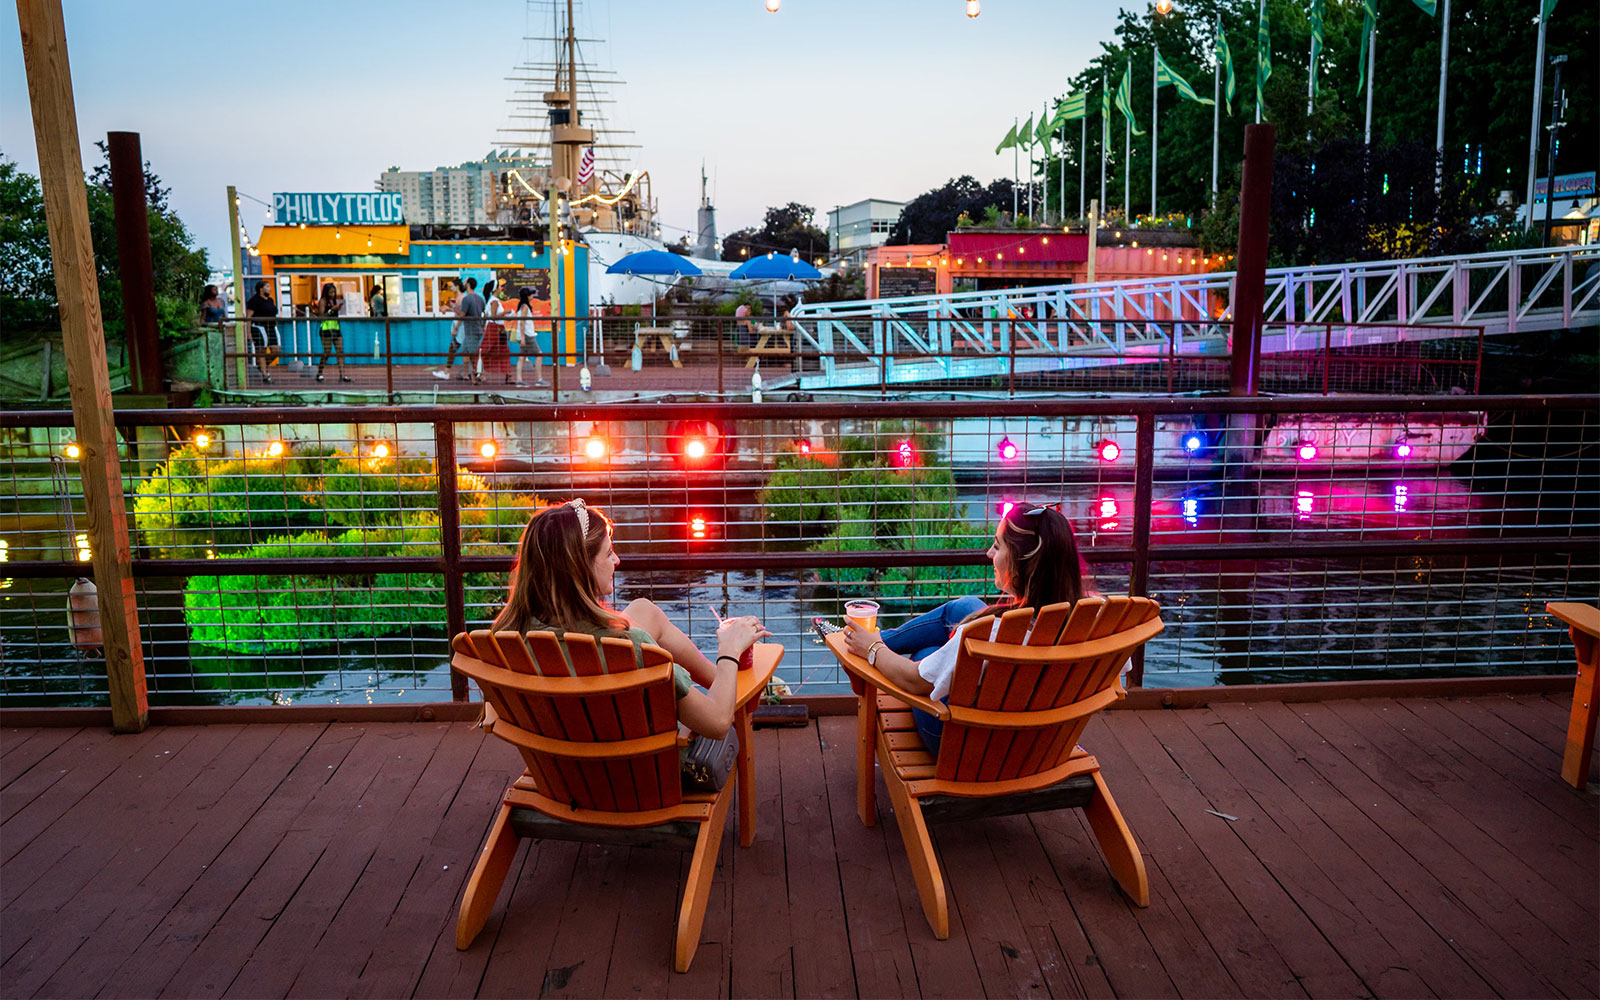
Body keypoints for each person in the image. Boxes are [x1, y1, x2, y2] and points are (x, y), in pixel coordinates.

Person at [492, 498, 769, 745]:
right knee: (720, 710)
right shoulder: (630, 647)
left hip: (561, 773)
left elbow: (490, 718)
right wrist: (729, 651)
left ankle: (720, 684)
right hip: (640, 781)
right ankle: (728, 686)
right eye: (608, 552)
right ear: (580, 568)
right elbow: (718, 725)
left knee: (643, 609)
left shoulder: (509, 637)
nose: (617, 560)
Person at [843, 503, 1089, 755]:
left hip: (969, 743)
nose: (989, 554)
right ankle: (883, 639)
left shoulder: (992, 633)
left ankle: (867, 642)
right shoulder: (1091, 619)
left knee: (925, 653)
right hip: (1042, 735)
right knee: (967, 606)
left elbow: (913, 681)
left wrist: (872, 649)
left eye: (997, 545)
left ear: (1022, 562)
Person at [512, 286, 550, 387]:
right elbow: (522, 323)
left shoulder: (521, 306)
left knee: (522, 357)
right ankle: (539, 379)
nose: (532, 296)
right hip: (527, 335)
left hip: (524, 335)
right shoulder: (525, 307)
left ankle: (519, 380)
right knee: (539, 355)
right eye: (531, 294)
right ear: (527, 296)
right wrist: (523, 338)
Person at [314, 282, 352, 383]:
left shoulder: (333, 301)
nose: (333, 294)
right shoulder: (323, 301)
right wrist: (331, 310)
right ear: (326, 292)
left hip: (336, 328)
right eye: (331, 292)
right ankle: (320, 372)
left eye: (334, 292)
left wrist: (337, 308)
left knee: (340, 351)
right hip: (326, 329)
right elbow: (321, 316)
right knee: (327, 352)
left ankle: (342, 375)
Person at [452, 277, 486, 382]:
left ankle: (480, 375)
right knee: (465, 351)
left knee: (473, 354)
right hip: (475, 330)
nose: (463, 284)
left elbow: (462, 315)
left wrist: (452, 308)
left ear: (468, 285)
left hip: (471, 331)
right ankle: (467, 373)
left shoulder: (467, 299)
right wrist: (483, 326)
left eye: (465, 282)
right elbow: (485, 314)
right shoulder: (480, 299)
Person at [244, 280, 277, 384]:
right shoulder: (254, 301)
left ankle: (262, 366)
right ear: (261, 289)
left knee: (276, 350)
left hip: (271, 327)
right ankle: (265, 375)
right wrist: (248, 332)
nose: (270, 289)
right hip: (259, 327)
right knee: (261, 351)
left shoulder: (270, 300)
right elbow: (248, 317)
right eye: (267, 286)